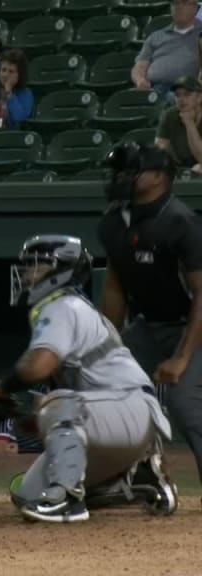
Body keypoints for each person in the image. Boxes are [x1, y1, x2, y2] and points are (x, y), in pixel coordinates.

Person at [0, 235, 176, 523]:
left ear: (60, 270)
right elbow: (68, 403)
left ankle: (67, 498)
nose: (27, 273)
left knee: (57, 405)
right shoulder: (72, 309)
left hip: (130, 409)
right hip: (119, 419)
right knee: (29, 494)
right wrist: (21, 412)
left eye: (37, 265)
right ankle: (136, 479)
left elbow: (35, 368)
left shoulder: (63, 306)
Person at [98, 142, 202, 488]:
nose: (120, 176)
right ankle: (121, 480)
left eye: (131, 170)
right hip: (146, 327)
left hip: (191, 326)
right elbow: (115, 285)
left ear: (158, 177)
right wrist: (105, 346)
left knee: (186, 405)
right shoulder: (113, 220)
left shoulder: (180, 221)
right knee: (104, 389)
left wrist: (182, 358)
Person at [132, 0, 199, 101]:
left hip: (188, 90)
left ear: (195, 8)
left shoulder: (200, 34)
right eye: (175, 3)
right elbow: (140, 66)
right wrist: (140, 81)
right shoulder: (155, 36)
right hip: (154, 88)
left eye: (184, 3)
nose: (179, 7)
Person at [155, 76, 202, 172]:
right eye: (177, 95)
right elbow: (160, 149)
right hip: (179, 167)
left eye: (187, 94)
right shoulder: (169, 115)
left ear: (199, 98)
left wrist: (189, 124)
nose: (181, 99)